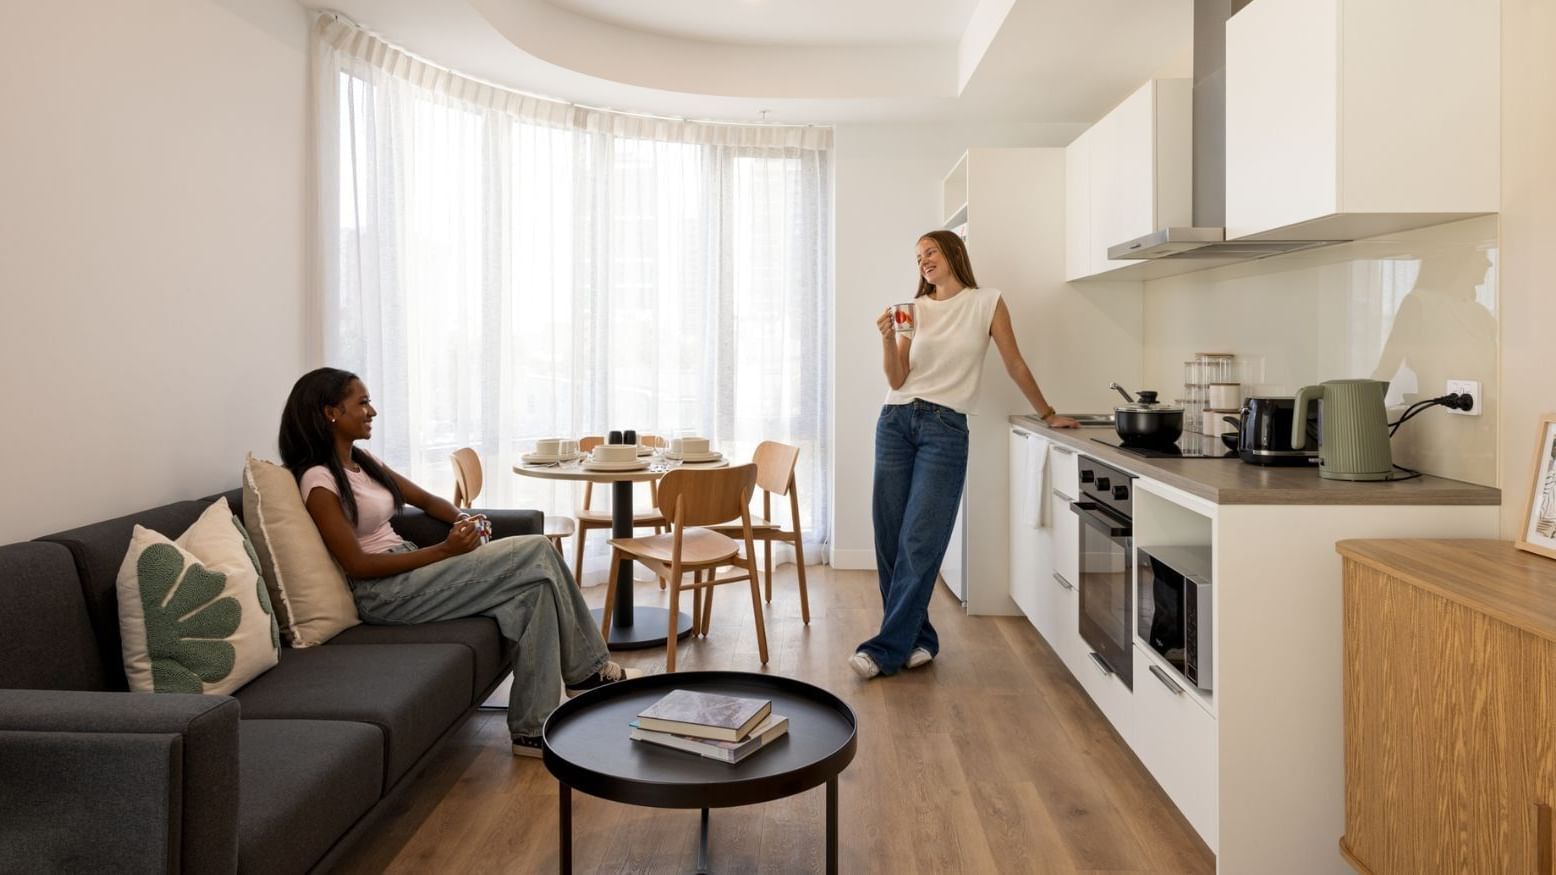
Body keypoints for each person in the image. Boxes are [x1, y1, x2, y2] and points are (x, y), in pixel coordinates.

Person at [278, 367, 640, 757]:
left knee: (533, 592)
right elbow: (358, 566)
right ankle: (588, 670)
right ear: (331, 412)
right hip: (384, 593)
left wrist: (463, 519)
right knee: (537, 549)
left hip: (410, 570)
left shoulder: (361, 461)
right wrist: (445, 551)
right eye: (362, 402)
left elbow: (428, 501)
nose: (373, 411)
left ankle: (532, 731)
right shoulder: (319, 480)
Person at [852, 230, 1079, 679]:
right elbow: (898, 380)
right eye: (918, 257)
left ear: (954, 252)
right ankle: (919, 638)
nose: (924, 261)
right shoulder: (912, 311)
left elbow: (1014, 362)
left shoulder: (987, 302)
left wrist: (1048, 412)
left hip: (946, 430)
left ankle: (884, 650)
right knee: (890, 537)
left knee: (922, 539)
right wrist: (885, 338)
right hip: (895, 422)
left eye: (931, 251)